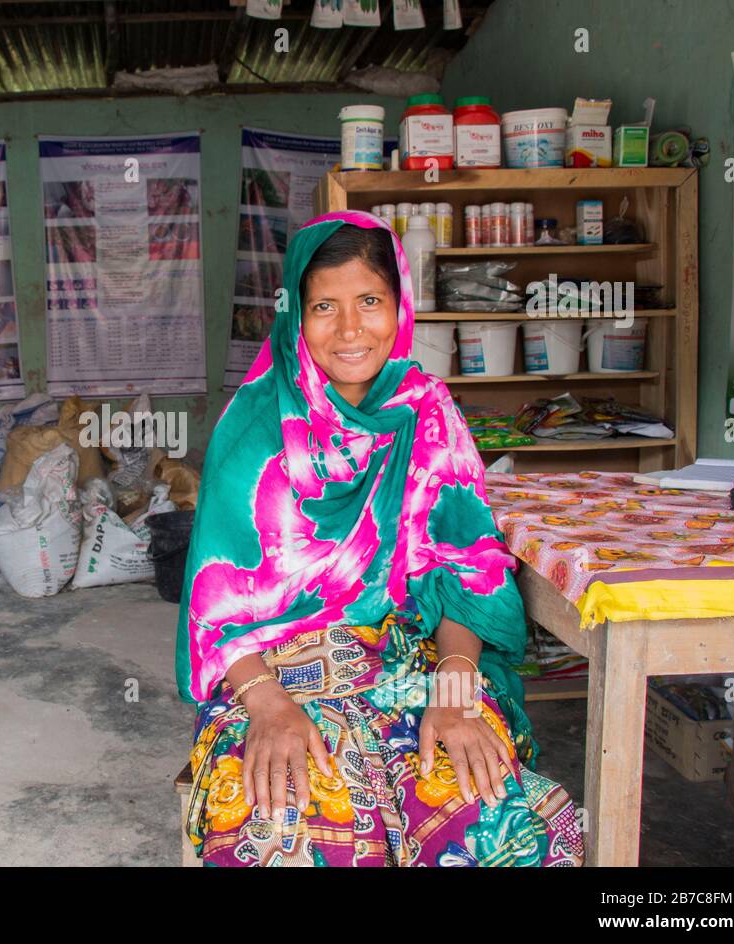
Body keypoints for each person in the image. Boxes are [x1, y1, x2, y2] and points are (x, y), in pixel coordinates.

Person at [177, 211, 583, 867]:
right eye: (323, 306)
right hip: (272, 679)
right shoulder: (252, 428)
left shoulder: (428, 412)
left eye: (369, 301)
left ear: (400, 307)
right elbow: (214, 615)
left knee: (510, 836)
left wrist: (454, 689)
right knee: (286, 837)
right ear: (295, 317)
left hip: (409, 671)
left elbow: (468, 575)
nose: (348, 329)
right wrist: (270, 707)